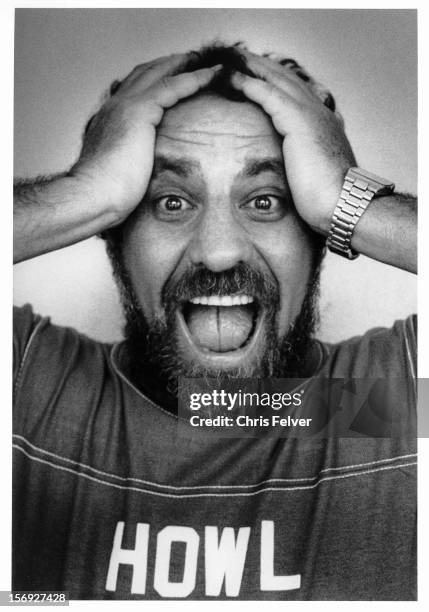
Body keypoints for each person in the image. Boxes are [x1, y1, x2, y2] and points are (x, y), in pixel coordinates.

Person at [13, 44, 417, 600]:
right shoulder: (32, 390)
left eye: (267, 201)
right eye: (172, 202)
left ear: (321, 235)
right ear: (114, 230)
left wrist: (350, 201)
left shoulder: (385, 404)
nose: (220, 252)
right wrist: (86, 193)